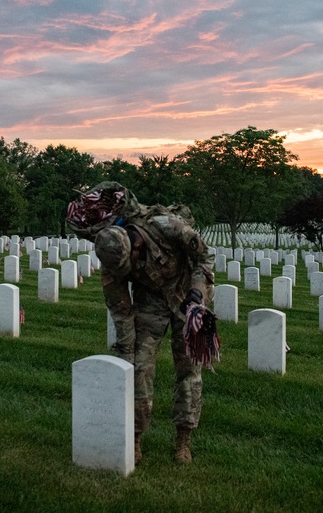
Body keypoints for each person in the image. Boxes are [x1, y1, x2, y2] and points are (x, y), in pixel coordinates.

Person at [67, 183, 216, 464]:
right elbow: (122, 314)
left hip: (190, 294)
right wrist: (125, 353)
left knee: (188, 367)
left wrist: (197, 292)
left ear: (135, 243)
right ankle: (134, 436)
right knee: (138, 366)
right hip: (152, 300)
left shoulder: (168, 227)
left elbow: (204, 257)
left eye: (133, 261)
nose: (132, 269)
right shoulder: (112, 267)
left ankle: (183, 438)